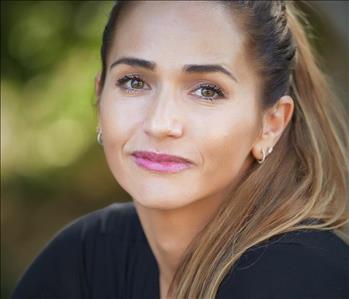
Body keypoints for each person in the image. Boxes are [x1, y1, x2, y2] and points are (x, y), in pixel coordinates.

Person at [12, 1, 349, 298]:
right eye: (134, 82)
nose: (160, 123)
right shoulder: (87, 255)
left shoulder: (300, 278)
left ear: (271, 124)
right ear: (100, 96)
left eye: (207, 91)